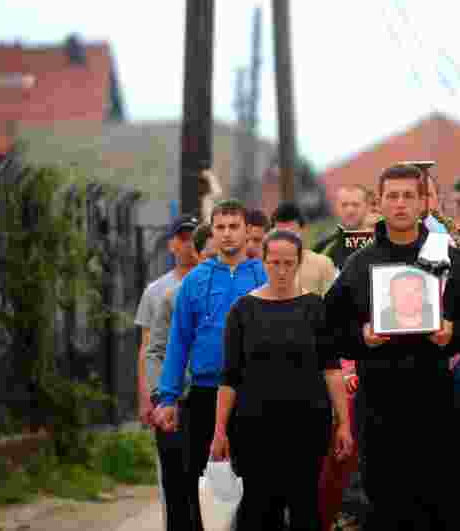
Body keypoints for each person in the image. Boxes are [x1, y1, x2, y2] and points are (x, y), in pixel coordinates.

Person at [323, 163, 460, 530]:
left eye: (409, 195)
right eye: (392, 196)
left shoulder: (447, 258)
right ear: (379, 203)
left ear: (423, 201)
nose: (400, 204)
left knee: (445, 501)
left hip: (438, 398)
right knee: (388, 504)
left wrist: (452, 333)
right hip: (380, 403)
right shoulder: (360, 265)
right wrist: (360, 336)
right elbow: (328, 327)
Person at [209, 230, 353, 530]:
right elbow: (230, 376)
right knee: (259, 507)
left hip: (307, 425)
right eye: (275, 262)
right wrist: (219, 430)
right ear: (263, 262)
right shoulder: (242, 310)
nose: (282, 270)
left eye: (289, 263)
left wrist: (344, 423)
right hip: (253, 427)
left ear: (299, 262)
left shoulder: (315, 308)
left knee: (305, 504)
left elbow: (331, 369)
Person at [153, 200, 269, 531]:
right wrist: (168, 396)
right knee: (191, 477)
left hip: (254, 393)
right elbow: (178, 341)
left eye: (235, 227)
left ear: (248, 231)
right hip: (204, 391)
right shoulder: (193, 282)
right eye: (221, 227)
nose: (228, 234)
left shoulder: (263, 274)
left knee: (259, 479)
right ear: (212, 232)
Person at [135, 214, 201, 531]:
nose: (189, 243)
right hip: (171, 394)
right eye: (183, 237)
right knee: (174, 476)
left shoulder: (211, 282)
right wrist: (148, 397)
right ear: (172, 243)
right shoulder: (157, 291)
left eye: (194, 236)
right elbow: (149, 348)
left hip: (205, 392)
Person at [272, 202, 338, 297]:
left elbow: (334, 305)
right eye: (280, 234)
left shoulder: (322, 264)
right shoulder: (264, 267)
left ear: (303, 230)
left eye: (291, 233)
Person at [315, 185, 369, 269]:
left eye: (355, 205)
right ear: (336, 208)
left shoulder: (383, 244)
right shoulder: (323, 248)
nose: (350, 210)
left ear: (367, 207)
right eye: (344, 205)